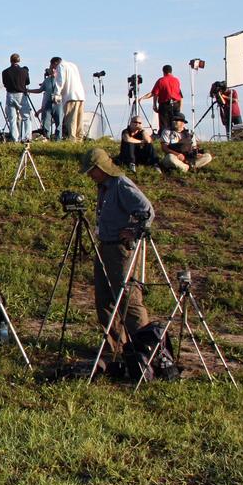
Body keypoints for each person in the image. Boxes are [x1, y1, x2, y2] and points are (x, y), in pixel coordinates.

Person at [80, 147, 153, 372]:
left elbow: (146, 209)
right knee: (104, 299)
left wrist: (134, 230)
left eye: (92, 170)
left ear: (101, 168)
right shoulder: (104, 187)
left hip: (121, 250)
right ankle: (113, 347)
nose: (90, 175)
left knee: (129, 299)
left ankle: (147, 349)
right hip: (105, 245)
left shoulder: (121, 184)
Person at [141, 65, 184, 131]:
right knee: (175, 125)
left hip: (165, 105)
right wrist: (180, 108)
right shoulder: (176, 80)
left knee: (164, 125)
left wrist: (153, 104)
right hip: (176, 105)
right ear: (171, 71)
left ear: (163, 71)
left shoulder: (161, 81)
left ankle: (164, 139)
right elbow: (180, 95)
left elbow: (154, 93)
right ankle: (176, 139)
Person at [53, 57, 86, 141]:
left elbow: (60, 81)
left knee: (71, 120)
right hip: (80, 95)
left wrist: (56, 94)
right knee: (79, 119)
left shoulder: (61, 66)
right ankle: (79, 139)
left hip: (70, 96)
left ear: (55, 63)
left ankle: (72, 140)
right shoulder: (73, 65)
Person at [1, 54, 33, 142]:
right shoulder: (24, 71)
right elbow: (27, 82)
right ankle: (27, 137)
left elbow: (5, 83)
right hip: (21, 95)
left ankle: (15, 138)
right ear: (19, 60)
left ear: (10, 60)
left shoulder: (5, 72)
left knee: (12, 119)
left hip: (10, 94)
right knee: (26, 117)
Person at [36, 66, 61, 140]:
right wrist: (28, 90)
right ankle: (46, 138)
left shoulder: (60, 79)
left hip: (58, 102)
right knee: (46, 123)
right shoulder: (47, 80)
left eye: (54, 69)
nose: (53, 70)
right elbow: (40, 90)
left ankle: (58, 139)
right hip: (48, 103)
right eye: (51, 69)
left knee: (58, 122)